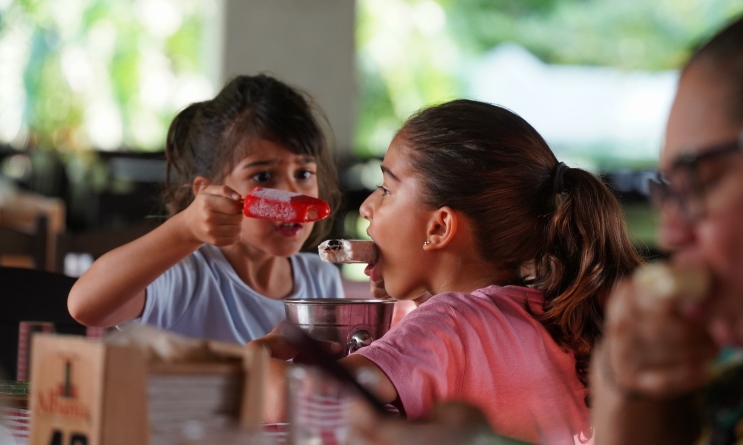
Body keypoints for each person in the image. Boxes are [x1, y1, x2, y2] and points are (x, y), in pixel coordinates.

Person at [257, 99, 642, 444]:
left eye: (387, 189)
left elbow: (307, 401)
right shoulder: (555, 311)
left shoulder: (446, 325)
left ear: (439, 228)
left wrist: (256, 359)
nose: (367, 207)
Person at [590, 0, 743, 444]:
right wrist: (629, 383)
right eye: (669, 190)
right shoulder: (739, 372)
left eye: (699, 183)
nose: (670, 234)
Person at [67, 74, 344, 344]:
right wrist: (185, 228)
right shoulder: (187, 276)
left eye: (304, 173)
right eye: (262, 176)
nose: (291, 193)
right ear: (207, 192)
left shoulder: (322, 280)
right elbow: (84, 306)